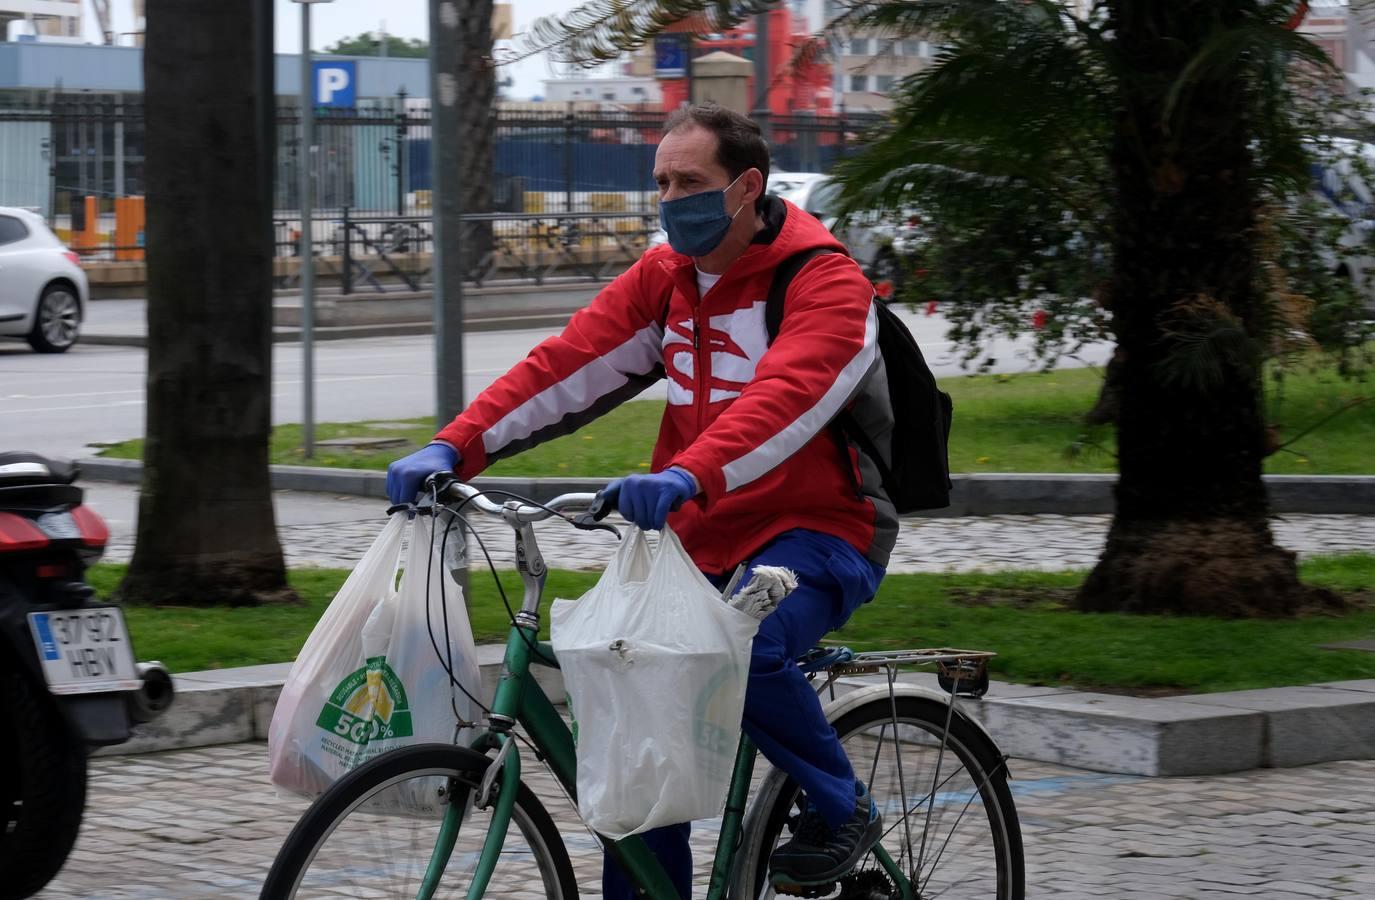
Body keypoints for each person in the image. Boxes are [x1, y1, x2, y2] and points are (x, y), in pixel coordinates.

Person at [387, 103, 899, 897]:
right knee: (632, 727)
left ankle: (843, 806)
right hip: (697, 537)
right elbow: (564, 365)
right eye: (660, 181)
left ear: (747, 187)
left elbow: (790, 395)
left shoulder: (824, 280)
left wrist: (690, 474)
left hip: (821, 531)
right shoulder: (665, 280)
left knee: (744, 643)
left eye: (689, 181)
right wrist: (454, 444)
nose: (669, 198)